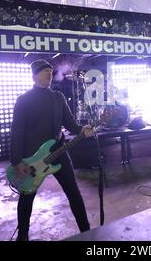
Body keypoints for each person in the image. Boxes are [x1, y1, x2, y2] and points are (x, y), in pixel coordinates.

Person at [10, 59, 92, 241]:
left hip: (59, 153)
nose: (50, 73)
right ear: (34, 75)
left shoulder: (57, 97)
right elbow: (17, 132)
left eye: (51, 71)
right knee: (26, 199)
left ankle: (87, 232)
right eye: (45, 71)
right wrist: (16, 161)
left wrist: (81, 130)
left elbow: (69, 123)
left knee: (74, 193)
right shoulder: (23, 100)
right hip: (32, 159)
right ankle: (22, 237)